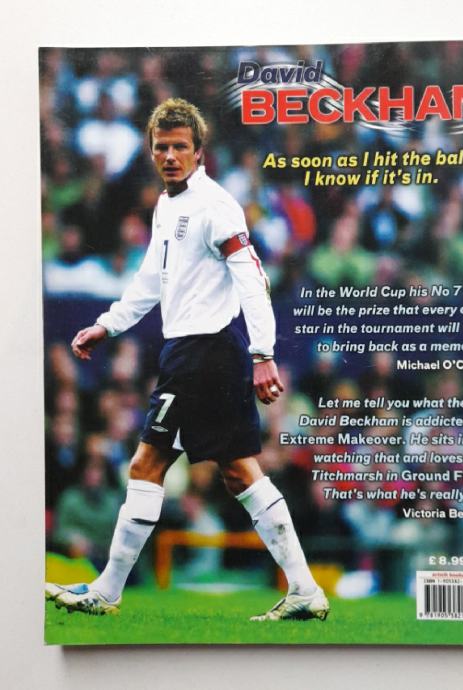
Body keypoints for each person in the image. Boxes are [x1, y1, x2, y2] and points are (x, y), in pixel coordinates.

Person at [45, 98, 329, 622]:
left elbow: (253, 278)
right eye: (162, 147)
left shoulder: (215, 206)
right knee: (240, 474)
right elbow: (149, 280)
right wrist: (108, 324)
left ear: (199, 152)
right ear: (152, 152)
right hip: (196, 351)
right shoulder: (166, 205)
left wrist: (263, 353)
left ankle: (106, 591)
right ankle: (306, 589)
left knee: (146, 464)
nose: (170, 156)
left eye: (180, 147)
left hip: (205, 352)